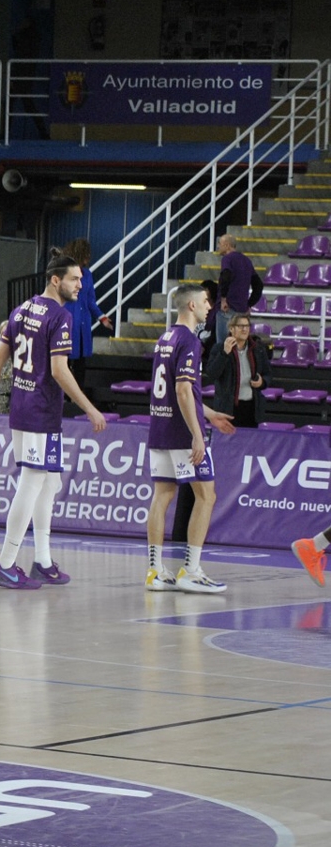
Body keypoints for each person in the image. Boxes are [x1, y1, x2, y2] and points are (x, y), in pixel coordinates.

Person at [0, 252, 108, 588]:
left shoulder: (21, 310)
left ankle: (42, 559)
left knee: (49, 483)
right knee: (32, 483)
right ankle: (5, 563)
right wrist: (90, 408)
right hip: (40, 412)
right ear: (56, 280)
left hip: (25, 410)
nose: (80, 285)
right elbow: (59, 370)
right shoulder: (60, 317)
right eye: (75, 279)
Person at [145, 283, 237, 594]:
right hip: (183, 431)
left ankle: (156, 570)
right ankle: (191, 570)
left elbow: (178, 391)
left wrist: (208, 413)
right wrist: (199, 434)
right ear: (191, 306)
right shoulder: (189, 340)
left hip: (159, 427)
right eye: (205, 301)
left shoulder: (165, 338)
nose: (210, 307)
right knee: (207, 496)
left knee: (162, 497)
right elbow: (184, 390)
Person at [204, 314, 271, 428]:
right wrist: (224, 354)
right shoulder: (219, 348)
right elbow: (211, 374)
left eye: (247, 326)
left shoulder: (258, 349)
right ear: (231, 328)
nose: (244, 329)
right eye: (240, 326)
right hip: (228, 408)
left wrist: (262, 382)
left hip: (251, 408)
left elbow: (268, 374)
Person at [61, 237, 106, 393]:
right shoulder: (63, 273)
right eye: (85, 255)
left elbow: (91, 300)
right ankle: (64, 395)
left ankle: (78, 395)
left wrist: (102, 317)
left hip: (83, 324)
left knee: (81, 363)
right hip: (67, 322)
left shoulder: (87, 274)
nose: (88, 259)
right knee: (63, 361)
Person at [214, 234, 255, 353]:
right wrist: (249, 303)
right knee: (239, 346)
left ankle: (223, 370)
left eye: (219, 244)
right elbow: (258, 285)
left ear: (227, 245)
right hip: (242, 310)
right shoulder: (247, 260)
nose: (218, 247)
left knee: (222, 346)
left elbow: (225, 276)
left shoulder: (227, 259)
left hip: (228, 308)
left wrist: (223, 298)